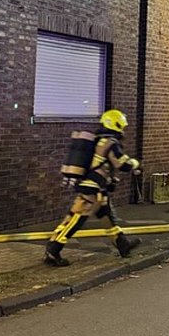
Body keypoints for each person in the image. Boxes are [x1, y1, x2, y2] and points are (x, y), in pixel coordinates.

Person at [44, 109, 142, 266]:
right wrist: (135, 164)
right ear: (116, 124)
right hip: (91, 189)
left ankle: (123, 244)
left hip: (98, 188)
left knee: (107, 217)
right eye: (122, 126)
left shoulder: (99, 140)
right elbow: (122, 164)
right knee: (75, 219)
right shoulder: (110, 143)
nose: (123, 129)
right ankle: (53, 249)